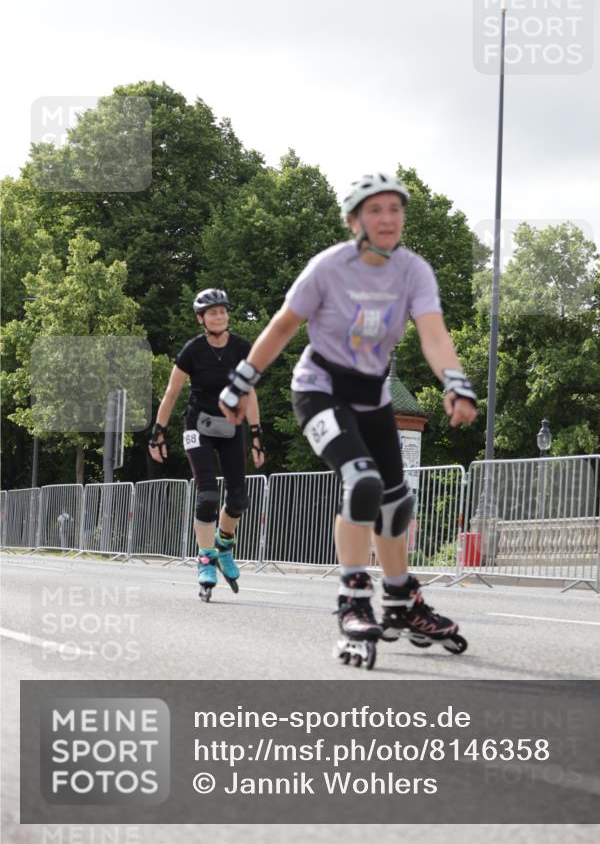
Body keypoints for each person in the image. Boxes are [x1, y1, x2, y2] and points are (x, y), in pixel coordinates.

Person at [220, 174, 477, 668]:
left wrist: (456, 382)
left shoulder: (414, 271)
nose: (387, 219)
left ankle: (401, 600)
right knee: (362, 483)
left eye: (394, 210)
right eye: (375, 210)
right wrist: (243, 379)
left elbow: (434, 334)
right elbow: (283, 326)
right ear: (354, 220)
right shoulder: (328, 268)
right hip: (319, 389)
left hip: (372, 395)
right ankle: (354, 598)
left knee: (397, 502)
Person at [148, 288, 265, 601]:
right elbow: (172, 392)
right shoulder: (192, 350)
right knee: (209, 494)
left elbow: (249, 393)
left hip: (231, 425)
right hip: (197, 425)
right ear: (201, 318)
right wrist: (157, 430)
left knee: (239, 499)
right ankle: (205, 559)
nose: (220, 316)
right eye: (213, 312)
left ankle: (224, 546)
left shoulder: (241, 348)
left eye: (223, 311)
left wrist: (256, 433)